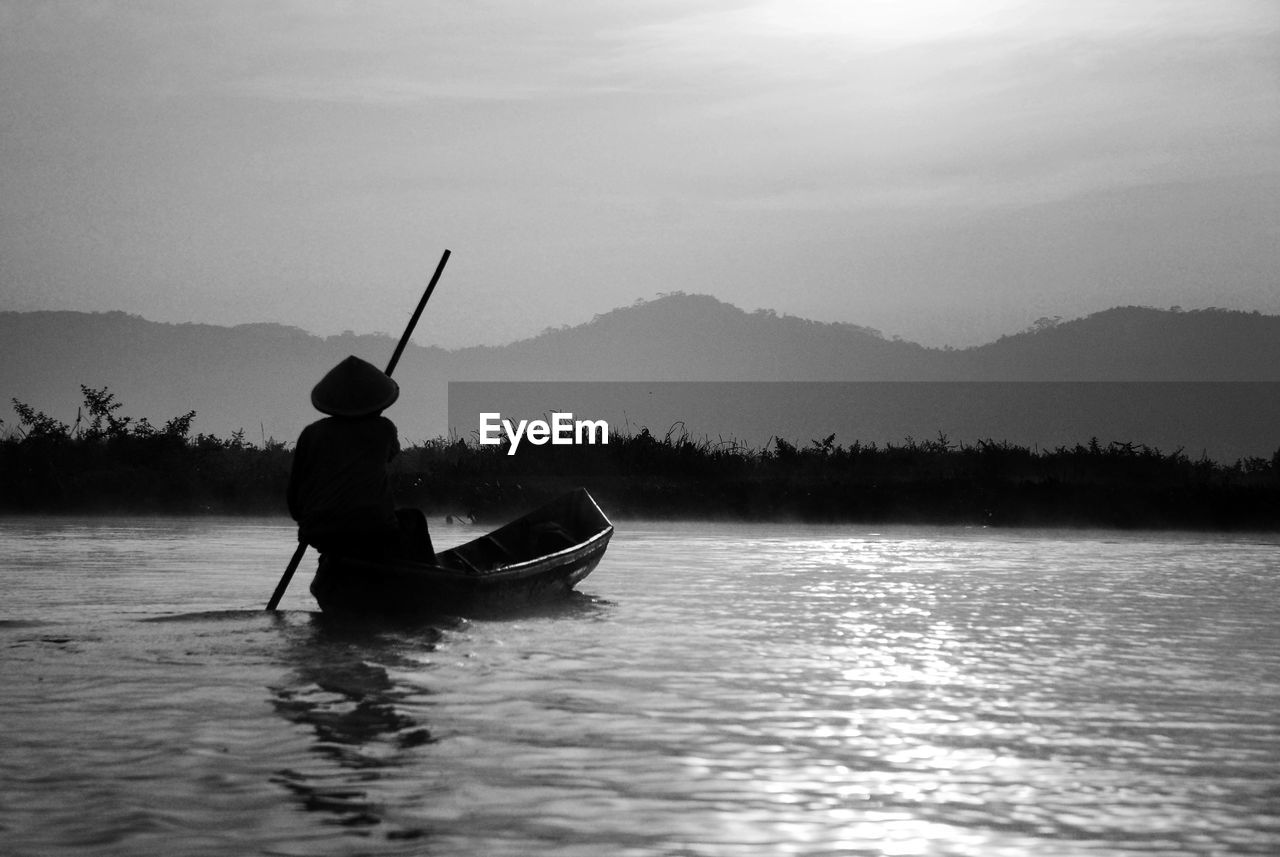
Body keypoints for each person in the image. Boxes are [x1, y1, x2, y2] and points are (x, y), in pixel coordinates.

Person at [286, 355, 434, 561]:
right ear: (375, 401)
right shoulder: (383, 429)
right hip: (373, 527)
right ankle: (427, 575)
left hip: (318, 529)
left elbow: (294, 494)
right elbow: (391, 455)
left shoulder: (311, 433)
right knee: (414, 519)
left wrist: (307, 520)